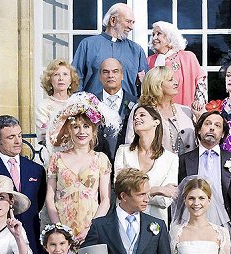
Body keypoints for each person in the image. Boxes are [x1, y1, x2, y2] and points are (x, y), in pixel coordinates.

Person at [46, 92, 120, 242]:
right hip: (62, 228)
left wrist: (91, 228)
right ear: (69, 130)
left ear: (93, 130)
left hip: (92, 227)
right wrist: (60, 230)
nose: (81, 131)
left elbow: (105, 199)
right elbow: (49, 198)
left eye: (86, 126)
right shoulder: (57, 158)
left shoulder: (101, 159)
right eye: (76, 127)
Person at [0, 115, 48, 254]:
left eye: (20, 136)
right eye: (11, 137)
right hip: (1, 248)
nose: (18, 141)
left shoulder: (36, 170)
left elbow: (38, 202)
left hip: (32, 243)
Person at [178, 110, 231, 225]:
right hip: (190, 222)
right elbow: (178, 197)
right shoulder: (184, 160)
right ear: (198, 130)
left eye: (217, 125)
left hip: (224, 222)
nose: (212, 128)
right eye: (207, 124)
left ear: (223, 133)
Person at [115, 105, 178, 225]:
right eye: (135, 117)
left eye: (142, 115)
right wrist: (157, 190)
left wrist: (134, 194)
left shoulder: (171, 159)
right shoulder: (123, 151)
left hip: (154, 223)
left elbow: (166, 200)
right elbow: (120, 190)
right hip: (124, 221)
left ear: (156, 122)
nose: (136, 118)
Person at [72, 3, 148, 99]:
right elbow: (76, 79)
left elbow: (146, 87)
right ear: (113, 20)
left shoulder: (137, 50)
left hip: (127, 110)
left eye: (133, 23)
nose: (131, 27)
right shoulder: (87, 45)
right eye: (128, 22)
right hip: (94, 110)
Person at [126, 67, 195, 156]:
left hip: (187, 169)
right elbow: (130, 144)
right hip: (154, 168)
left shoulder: (186, 111)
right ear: (157, 85)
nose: (176, 83)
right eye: (170, 80)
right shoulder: (141, 110)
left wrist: (199, 115)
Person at [148, 21, 206, 108]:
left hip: (185, 111)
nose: (154, 38)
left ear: (170, 38)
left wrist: (199, 104)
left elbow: (201, 84)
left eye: (158, 34)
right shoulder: (149, 61)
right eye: (153, 34)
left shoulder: (187, 57)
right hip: (157, 112)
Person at [94, 58, 137, 166]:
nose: (110, 75)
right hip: (97, 163)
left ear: (122, 75)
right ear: (100, 76)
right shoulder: (91, 102)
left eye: (115, 71)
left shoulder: (136, 103)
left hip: (126, 164)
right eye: (105, 72)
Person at [35, 59, 79, 157]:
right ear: (50, 80)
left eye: (65, 74)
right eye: (56, 75)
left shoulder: (78, 103)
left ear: (71, 80)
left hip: (78, 154)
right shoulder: (43, 106)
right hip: (54, 155)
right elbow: (43, 138)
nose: (61, 78)